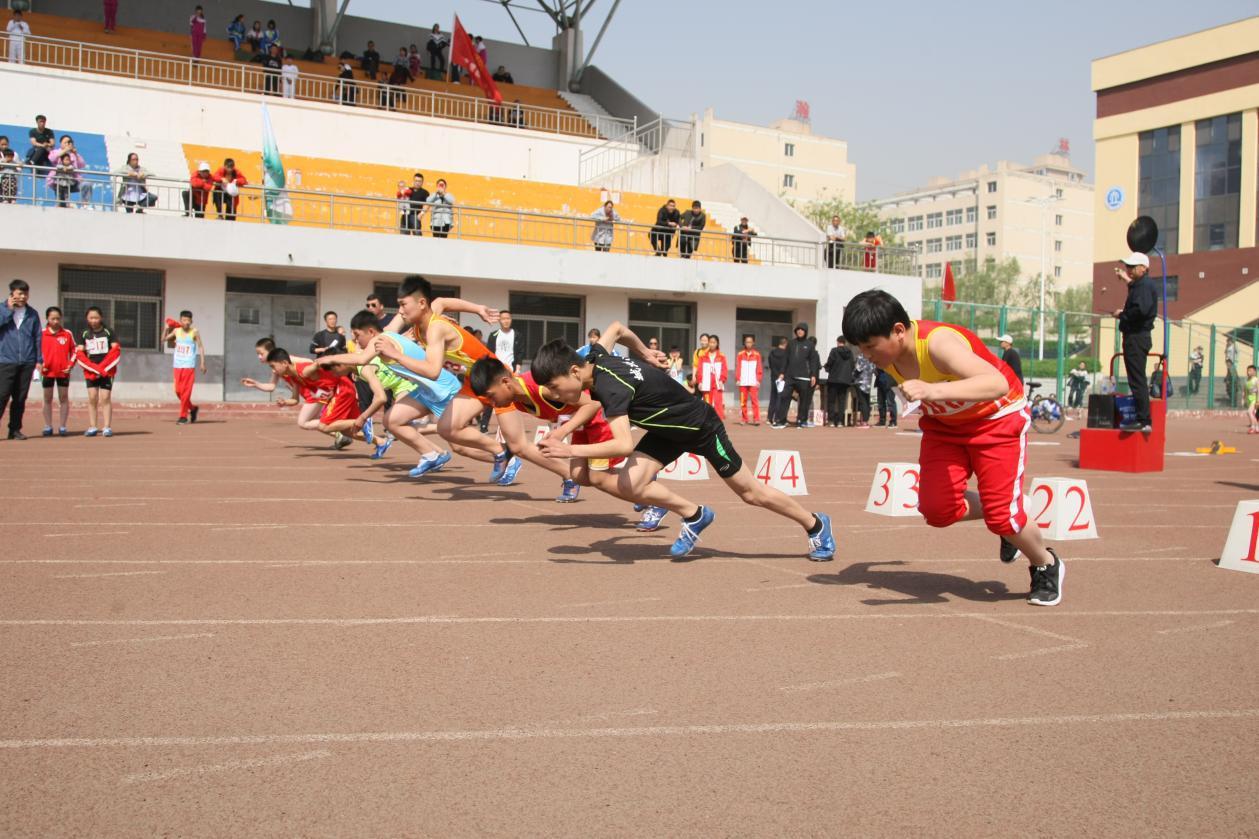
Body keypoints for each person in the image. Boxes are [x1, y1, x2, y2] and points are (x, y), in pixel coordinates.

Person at [531, 323, 835, 560]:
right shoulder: (594, 357)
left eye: (555, 388)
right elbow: (616, 328)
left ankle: (816, 524)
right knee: (629, 484)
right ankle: (695, 514)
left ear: (573, 371)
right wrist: (645, 353)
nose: (555, 396)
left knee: (751, 493)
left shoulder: (611, 388)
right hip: (667, 431)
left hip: (701, 427)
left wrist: (568, 448)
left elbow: (622, 445)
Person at [842, 289, 1064, 605]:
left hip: (996, 420)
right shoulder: (888, 353)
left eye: (869, 347)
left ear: (899, 332)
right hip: (944, 428)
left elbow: (996, 383)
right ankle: (1011, 506)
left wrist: (932, 390)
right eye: (860, 348)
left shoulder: (938, 344)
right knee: (937, 510)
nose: (866, 355)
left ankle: (1045, 562)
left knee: (1003, 519)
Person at [375, 276, 522, 483]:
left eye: (403, 305)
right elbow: (443, 301)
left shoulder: (435, 328)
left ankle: (564, 472)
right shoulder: (423, 318)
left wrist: (397, 354)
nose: (400, 310)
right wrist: (478, 308)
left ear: (421, 303)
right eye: (398, 305)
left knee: (522, 444)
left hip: (496, 377)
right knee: (446, 429)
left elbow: (433, 371)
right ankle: (500, 452)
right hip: (475, 378)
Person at [470, 355, 630, 505]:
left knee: (598, 478)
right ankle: (639, 481)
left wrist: (561, 432)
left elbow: (593, 404)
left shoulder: (540, 387)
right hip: (581, 424)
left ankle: (644, 492)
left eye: (491, 396)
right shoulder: (517, 400)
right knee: (578, 476)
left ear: (505, 382)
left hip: (598, 420)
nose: (491, 403)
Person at [1113, 251, 1157, 432]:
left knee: (1137, 378)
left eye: (1131, 267)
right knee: (1135, 378)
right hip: (1136, 336)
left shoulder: (1144, 286)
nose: (1128, 270)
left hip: (1137, 337)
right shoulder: (1140, 285)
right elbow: (1137, 295)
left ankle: (1144, 420)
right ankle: (1143, 419)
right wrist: (1126, 280)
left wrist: (1122, 315)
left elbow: (1140, 310)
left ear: (1143, 268)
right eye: (1127, 267)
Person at [0, 279, 40, 440]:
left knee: (20, 398)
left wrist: (39, 360)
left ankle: (14, 430)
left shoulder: (32, 313)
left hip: (27, 362)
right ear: (12, 293)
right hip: (5, 360)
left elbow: (37, 337)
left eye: (25, 293)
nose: (23, 297)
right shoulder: (2, 309)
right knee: (2, 395)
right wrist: (8, 309)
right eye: (20, 293)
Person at [77, 305, 120, 437]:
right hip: (91, 370)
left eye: (96, 317)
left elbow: (115, 349)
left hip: (107, 370)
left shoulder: (109, 332)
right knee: (92, 397)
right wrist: (92, 367)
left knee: (105, 397)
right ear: (87, 319)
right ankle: (92, 426)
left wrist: (103, 367)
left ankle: (107, 427)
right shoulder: (84, 333)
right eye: (91, 318)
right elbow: (80, 351)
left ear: (101, 317)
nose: (94, 320)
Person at [481, 310, 524, 432]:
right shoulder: (494, 335)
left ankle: (512, 427)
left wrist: (518, 368)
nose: (506, 321)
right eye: (503, 318)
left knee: (512, 398)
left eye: (508, 318)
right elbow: (488, 353)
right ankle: (484, 426)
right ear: (499, 320)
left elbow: (520, 352)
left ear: (511, 320)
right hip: (495, 370)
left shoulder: (517, 334)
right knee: (492, 396)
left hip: (510, 371)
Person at [162, 310, 206, 424]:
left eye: (188, 320)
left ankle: (183, 416)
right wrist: (166, 328)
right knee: (178, 391)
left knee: (186, 392)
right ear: (180, 320)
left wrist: (202, 363)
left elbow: (200, 347)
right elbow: (163, 340)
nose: (186, 322)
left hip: (189, 366)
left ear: (191, 321)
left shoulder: (194, 332)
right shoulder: (176, 331)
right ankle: (193, 408)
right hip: (177, 365)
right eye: (184, 320)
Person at [39, 306, 75, 436]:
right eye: (52, 318)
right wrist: (39, 364)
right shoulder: (41, 333)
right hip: (47, 372)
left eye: (58, 318)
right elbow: (35, 351)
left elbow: (75, 351)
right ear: (47, 318)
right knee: (47, 398)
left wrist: (70, 364)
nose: (55, 321)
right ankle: (48, 426)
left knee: (63, 398)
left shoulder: (67, 333)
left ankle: (63, 426)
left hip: (63, 372)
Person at [775, 323, 818, 428]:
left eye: (802, 330)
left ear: (805, 331)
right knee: (785, 397)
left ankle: (802, 420)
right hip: (790, 376)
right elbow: (785, 359)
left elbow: (813, 361)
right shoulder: (791, 343)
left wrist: (813, 375)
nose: (800, 331)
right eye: (798, 329)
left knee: (804, 400)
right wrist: (781, 373)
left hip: (804, 377)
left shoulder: (809, 345)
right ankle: (781, 420)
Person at [47, 136, 94, 209]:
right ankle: (61, 204)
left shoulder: (73, 154)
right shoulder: (56, 151)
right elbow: (52, 158)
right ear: (61, 143)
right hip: (59, 180)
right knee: (61, 194)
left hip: (73, 181)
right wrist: (64, 151)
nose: (67, 144)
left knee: (87, 184)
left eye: (69, 142)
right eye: (65, 142)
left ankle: (85, 204)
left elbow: (82, 164)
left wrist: (75, 154)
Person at [823, 337, 854, 427]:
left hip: (834, 379)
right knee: (842, 401)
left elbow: (830, 362)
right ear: (845, 342)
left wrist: (827, 368)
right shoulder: (850, 352)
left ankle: (831, 420)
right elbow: (852, 365)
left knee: (831, 401)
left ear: (838, 342)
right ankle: (840, 421)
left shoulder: (834, 351)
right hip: (845, 380)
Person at [697, 335, 728, 420]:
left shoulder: (721, 356)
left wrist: (722, 379)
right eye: (710, 342)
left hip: (717, 383)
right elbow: (699, 370)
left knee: (718, 403)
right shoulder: (703, 356)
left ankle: (719, 421)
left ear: (717, 343)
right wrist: (700, 381)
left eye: (714, 342)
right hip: (706, 383)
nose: (712, 344)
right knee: (707, 403)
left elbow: (724, 369)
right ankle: (707, 420)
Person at [735, 335, 762, 425]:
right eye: (747, 342)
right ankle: (744, 419)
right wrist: (738, 378)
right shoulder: (740, 354)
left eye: (750, 342)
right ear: (744, 343)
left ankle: (756, 419)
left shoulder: (757, 355)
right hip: (743, 382)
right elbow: (738, 367)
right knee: (743, 401)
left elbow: (759, 368)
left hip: (753, 381)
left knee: (754, 401)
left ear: (753, 343)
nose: (748, 344)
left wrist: (758, 380)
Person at [766, 336, 788, 429]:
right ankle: (777, 418)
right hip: (782, 378)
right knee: (780, 398)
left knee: (773, 397)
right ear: (785, 344)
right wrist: (782, 374)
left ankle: (769, 418)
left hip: (773, 377)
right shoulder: (786, 354)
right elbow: (786, 365)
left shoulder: (772, 353)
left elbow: (770, 364)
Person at [853, 350, 874, 428]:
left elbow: (857, 369)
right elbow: (873, 369)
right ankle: (866, 420)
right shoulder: (872, 358)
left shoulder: (861, 357)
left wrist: (853, 377)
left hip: (860, 382)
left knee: (862, 402)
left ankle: (864, 421)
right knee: (866, 401)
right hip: (868, 382)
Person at [1225, 336, 1239, 407]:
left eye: (1229, 341)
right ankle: (1228, 382)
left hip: (1232, 363)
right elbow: (1226, 354)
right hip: (1230, 363)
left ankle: (1234, 400)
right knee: (1228, 379)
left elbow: (1237, 352)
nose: (1228, 343)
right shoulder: (1228, 347)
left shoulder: (1234, 346)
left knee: (1233, 380)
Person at [1245, 365, 1259, 435]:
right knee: (1253, 414)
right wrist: (1244, 398)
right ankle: (1257, 428)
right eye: (1247, 370)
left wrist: (1257, 401)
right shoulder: (1247, 380)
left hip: (1255, 399)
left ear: (1254, 372)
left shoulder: (1256, 380)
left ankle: (1253, 427)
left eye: (1250, 371)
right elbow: (1245, 390)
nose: (1248, 372)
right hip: (1249, 399)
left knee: (1249, 412)